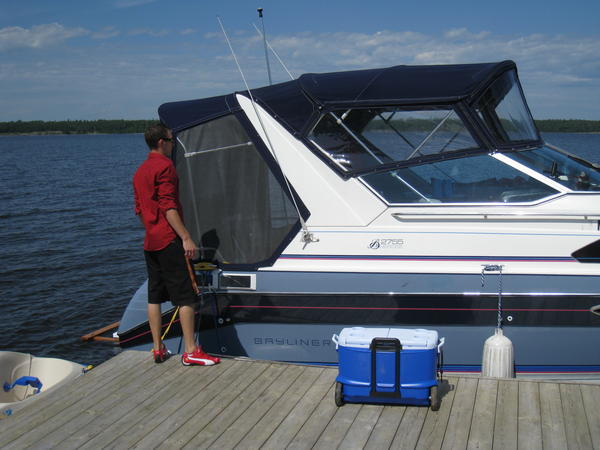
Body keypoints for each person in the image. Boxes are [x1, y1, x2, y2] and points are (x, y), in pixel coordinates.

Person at [133, 122, 220, 366]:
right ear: (162, 142)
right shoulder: (165, 167)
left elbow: (140, 209)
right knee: (187, 298)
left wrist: (152, 227)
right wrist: (185, 237)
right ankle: (191, 350)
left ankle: (158, 349)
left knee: (154, 296)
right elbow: (169, 206)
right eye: (171, 140)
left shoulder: (140, 171)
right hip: (169, 240)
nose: (173, 145)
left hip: (150, 241)